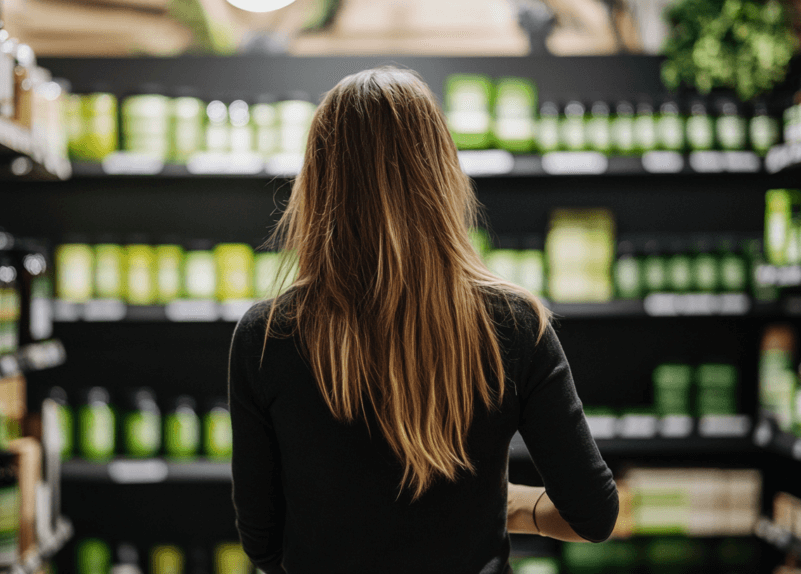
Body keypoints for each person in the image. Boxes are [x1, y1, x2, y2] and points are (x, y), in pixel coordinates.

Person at [228, 66, 618, 574]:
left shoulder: (265, 336)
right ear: (441, 175)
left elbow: (263, 543)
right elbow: (593, 514)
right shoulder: (515, 325)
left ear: (318, 183)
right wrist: (490, 503)